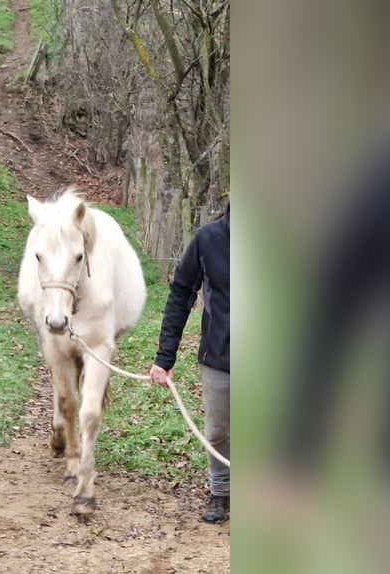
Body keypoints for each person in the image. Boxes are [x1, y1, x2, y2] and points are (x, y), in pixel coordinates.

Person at [150, 203, 230, 523]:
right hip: (218, 355)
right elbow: (181, 294)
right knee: (218, 431)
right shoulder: (207, 239)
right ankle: (221, 492)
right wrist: (164, 357)